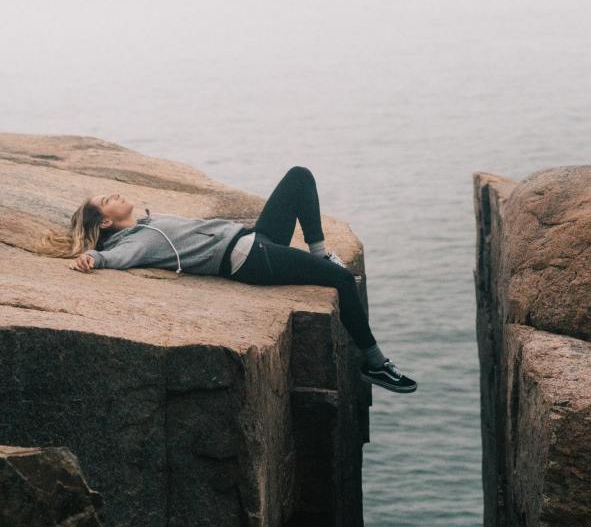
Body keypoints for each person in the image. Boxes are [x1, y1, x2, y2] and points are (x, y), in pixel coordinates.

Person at [36, 165, 417, 394]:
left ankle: (319, 252)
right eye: (106, 200)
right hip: (251, 259)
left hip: (255, 238)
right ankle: (375, 363)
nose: (114, 194)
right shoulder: (139, 240)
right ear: (105, 221)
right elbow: (115, 257)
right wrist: (92, 257)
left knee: (299, 177)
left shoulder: (146, 225)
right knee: (341, 280)